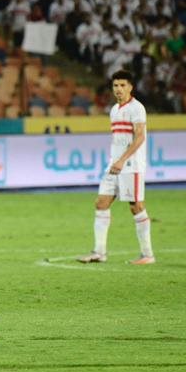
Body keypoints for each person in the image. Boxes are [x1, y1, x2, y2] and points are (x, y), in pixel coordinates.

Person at [78, 69, 155, 265]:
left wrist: (122, 160)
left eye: (122, 85)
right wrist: (115, 161)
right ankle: (99, 252)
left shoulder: (137, 108)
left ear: (130, 87)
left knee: (136, 207)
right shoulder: (114, 110)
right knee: (101, 203)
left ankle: (147, 255)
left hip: (131, 165)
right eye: (115, 85)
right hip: (114, 165)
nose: (118, 89)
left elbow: (140, 137)